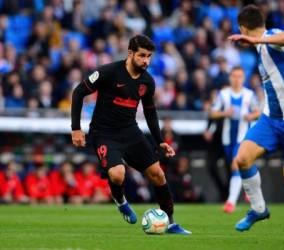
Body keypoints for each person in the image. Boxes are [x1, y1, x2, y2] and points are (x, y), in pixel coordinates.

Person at [71, 34, 191, 235]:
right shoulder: (108, 72)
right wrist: (76, 128)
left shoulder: (148, 82)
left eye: (149, 56)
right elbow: (78, 92)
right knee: (118, 174)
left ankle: (170, 223)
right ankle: (120, 200)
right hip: (104, 133)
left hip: (130, 131)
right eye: (142, 55)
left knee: (158, 174)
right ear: (130, 53)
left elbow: (151, 112)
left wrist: (159, 141)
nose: (146, 61)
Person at [228, 5, 284, 244]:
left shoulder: (271, 38)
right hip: (271, 119)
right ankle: (259, 209)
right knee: (243, 158)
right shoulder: (262, 46)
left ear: (243, 28)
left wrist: (254, 38)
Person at [210, 66, 260, 213]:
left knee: (235, 165)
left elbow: (258, 112)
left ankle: (230, 203)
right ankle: (248, 188)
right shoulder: (223, 94)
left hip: (243, 138)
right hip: (227, 139)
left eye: (239, 76)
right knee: (238, 167)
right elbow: (212, 113)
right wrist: (225, 113)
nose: (237, 79)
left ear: (243, 78)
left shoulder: (249, 95)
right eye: (234, 76)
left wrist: (250, 116)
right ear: (230, 77)